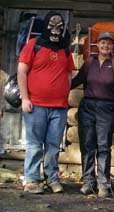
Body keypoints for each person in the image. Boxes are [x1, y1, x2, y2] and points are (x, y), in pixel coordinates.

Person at [17, 11, 74, 194]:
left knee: (53, 144)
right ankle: (32, 180)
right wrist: (25, 98)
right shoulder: (33, 45)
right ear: (46, 26)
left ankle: (52, 178)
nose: (56, 30)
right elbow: (21, 72)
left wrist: (65, 95)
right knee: (34, 143)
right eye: (52, 25)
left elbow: (68, 73)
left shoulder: (65, 49)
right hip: (36, 105)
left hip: (59, 107)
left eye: (60, 27)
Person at [71, 32, 114, 198]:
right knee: (87, 144)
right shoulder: (90, 62)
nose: (105, 46)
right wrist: (58, 85)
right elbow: (76, 81)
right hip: (87, 107)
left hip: (107, 108)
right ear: (97, 45)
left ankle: (103, 183)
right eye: (102, 43)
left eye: (109, 44)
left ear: (112, 47)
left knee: (103, 146)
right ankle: (88, 181)